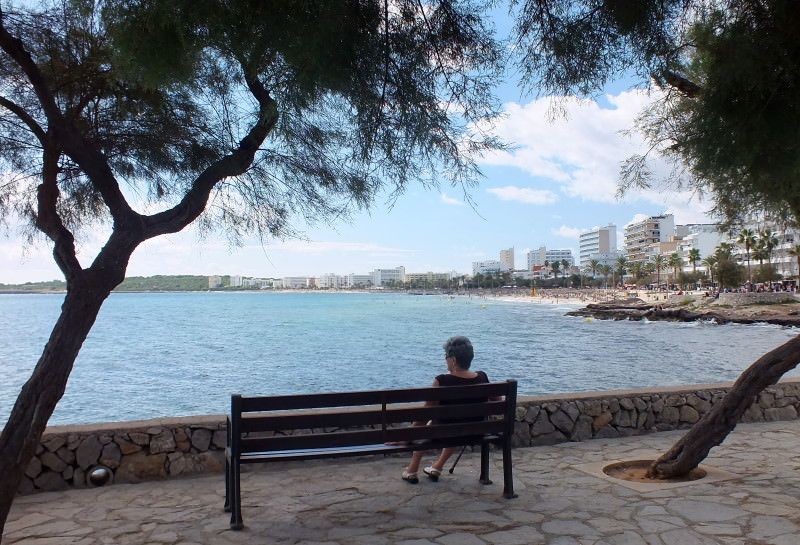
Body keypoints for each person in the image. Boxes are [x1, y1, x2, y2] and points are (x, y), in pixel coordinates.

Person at [401, 335, 493, 484]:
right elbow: (497, 402)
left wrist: (406, 436)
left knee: (430, 426)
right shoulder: (482, 377)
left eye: (446, 357)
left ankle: (412, 470)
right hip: (476, 432)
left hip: (445, 433)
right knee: (453, 425)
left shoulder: (442, 381)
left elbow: (424, 416)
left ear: (454, 360)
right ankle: (437, 467)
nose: (445, 359)